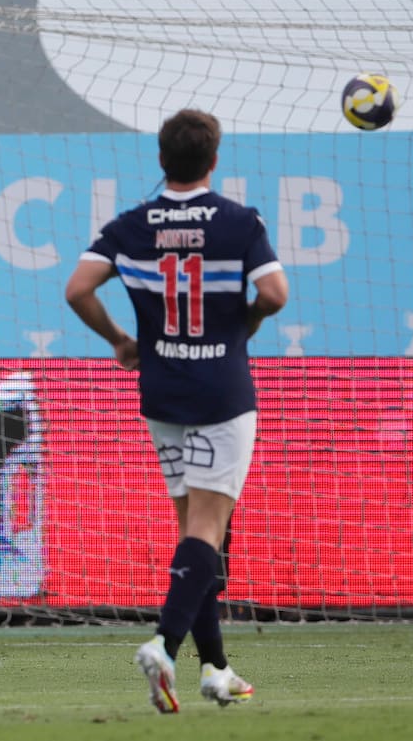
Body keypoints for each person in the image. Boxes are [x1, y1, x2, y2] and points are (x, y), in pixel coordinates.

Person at [64, 109, 289, 714]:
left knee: (195, 531)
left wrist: (120, 340)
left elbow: (77, 288)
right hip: (221, 391)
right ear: (213, 161)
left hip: (162, 393)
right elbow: (274, 293)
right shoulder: (239, 222)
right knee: (208, 533)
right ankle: (164, 644)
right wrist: (248, 321)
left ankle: (216, 669)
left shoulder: (133, 225)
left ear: (162, 160)